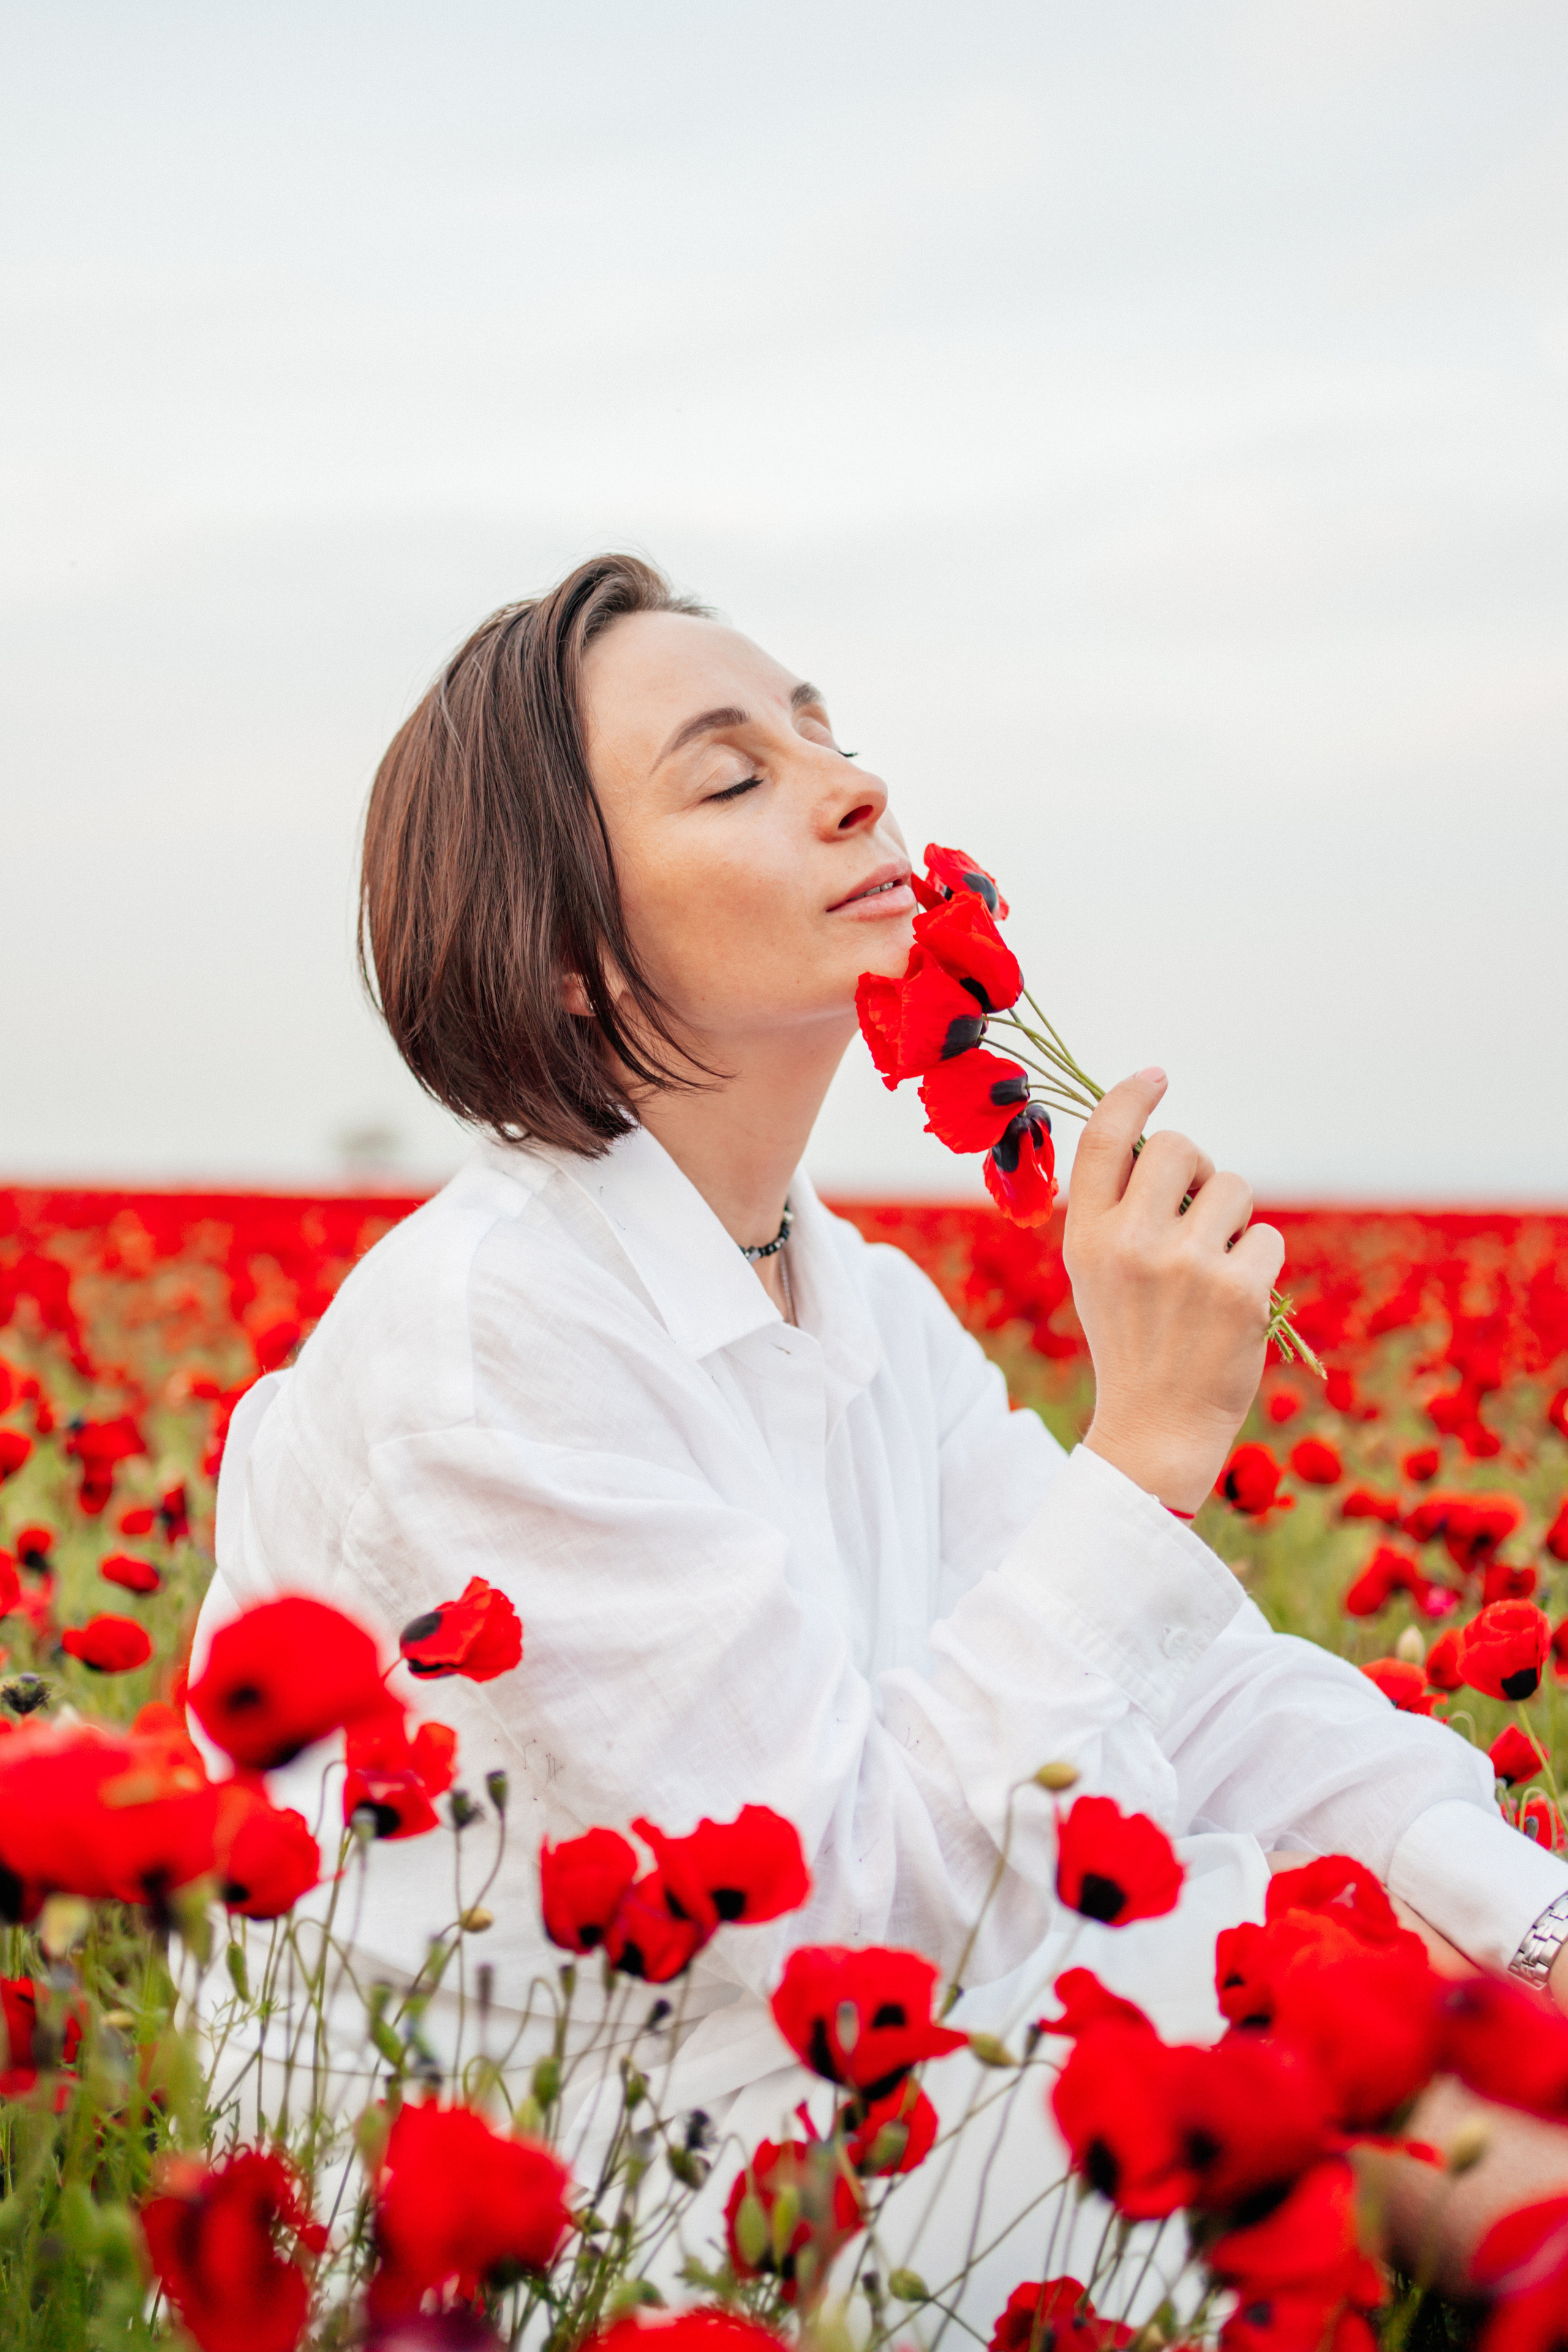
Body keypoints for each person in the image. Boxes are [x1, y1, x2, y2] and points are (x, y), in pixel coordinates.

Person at [195, 552, 1568, 2293]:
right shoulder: (491, 1346)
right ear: (560, 954)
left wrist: (1534, 1927)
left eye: (822, 731)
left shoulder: (852, 1304)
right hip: (561, 2201)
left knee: (1370, 1983)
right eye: (736, 773)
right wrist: (1142, 1451)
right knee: (1303, 2050)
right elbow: (827, 1910)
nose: (854, 790)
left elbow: (1202, 1693)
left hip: (828, 2059)